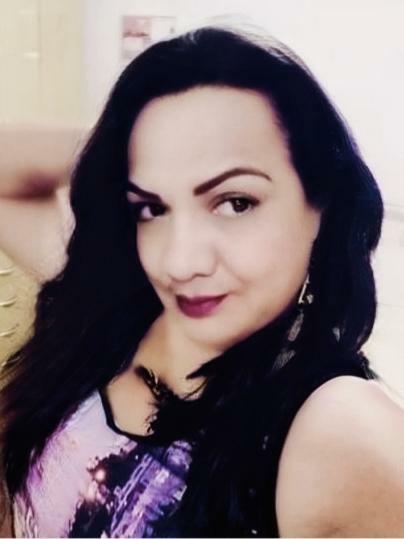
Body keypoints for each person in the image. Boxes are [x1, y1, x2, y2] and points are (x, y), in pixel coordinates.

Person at [1, 23, 404, 538]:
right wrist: (127, 143)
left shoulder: (339, 428)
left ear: (321, 203)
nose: (179, 262)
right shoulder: (121, 304)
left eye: (235, 203)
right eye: (152, 207)